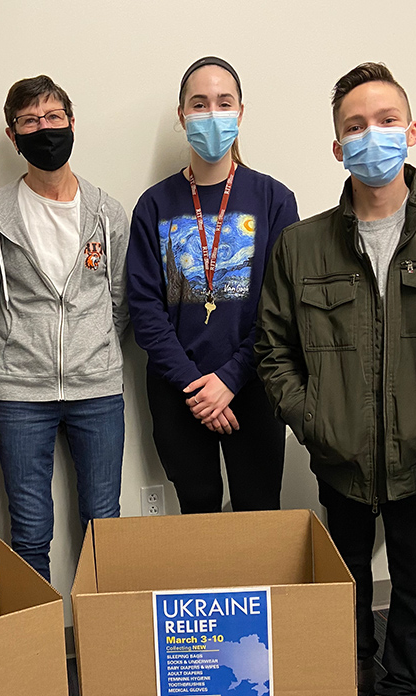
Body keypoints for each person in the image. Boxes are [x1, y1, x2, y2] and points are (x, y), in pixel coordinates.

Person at [256, 63, 416, 696]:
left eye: (387, 121)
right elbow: (272, 346)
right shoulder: (301, 245)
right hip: (339, 455)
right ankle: (356, 682)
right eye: (356, 126)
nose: (374, 136)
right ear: (337, 146)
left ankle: (407, 694)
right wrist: (312, 419)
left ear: (413, 130)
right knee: (345, 582)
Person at [0, 75, 129, 584]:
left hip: (97, 390)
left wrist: (91, 351)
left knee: (103, 526)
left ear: (72, 123)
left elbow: (118, 301)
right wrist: (14, 363)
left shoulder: (107, 213)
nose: (45, 129)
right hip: (19, 396)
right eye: (30, 121)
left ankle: (103, 645)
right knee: (31, 531)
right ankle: (37, 654)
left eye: (53, 117)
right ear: (13, 136)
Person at [127, 57, 298, 514]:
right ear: (182, 116)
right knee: (197, 511)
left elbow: (280, 309)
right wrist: (196, 386)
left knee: (258, 510)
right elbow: (145, 311)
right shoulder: (154, 205)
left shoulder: (274, 200)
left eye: (223, 103)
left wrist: (229, 379)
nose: (212, 113)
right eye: (199, 104)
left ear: (241, 113)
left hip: (255, 385)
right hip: (177, 390)